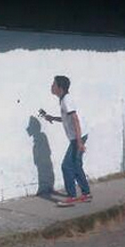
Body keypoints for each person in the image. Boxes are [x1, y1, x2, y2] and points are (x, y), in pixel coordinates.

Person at [40, 76, 92, 206]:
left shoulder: (66, 101)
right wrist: (53, 118)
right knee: (76, 165)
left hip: (78, 137)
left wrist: (79, 142)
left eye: (54, 84)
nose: (51, 87)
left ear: (60, 88)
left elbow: (75, 120)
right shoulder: (64, 99)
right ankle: (86, 194)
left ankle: (72, 196)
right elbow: (67, 118)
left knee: (66, 166)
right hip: (79, 136)